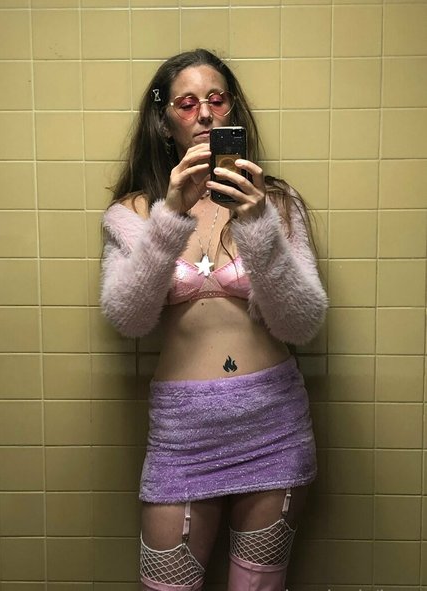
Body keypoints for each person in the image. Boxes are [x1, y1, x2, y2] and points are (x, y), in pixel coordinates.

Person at [100, 49, 328, 591]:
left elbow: (303, 323)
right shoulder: (133, 213)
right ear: (164, 122)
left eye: (216, 99)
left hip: (273, 423)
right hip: (182, 433)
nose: (203, 113)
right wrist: (171, 217)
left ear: (231, 112)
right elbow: (128, 318)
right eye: (186, 103)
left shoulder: (276, 203)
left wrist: (258, 225)